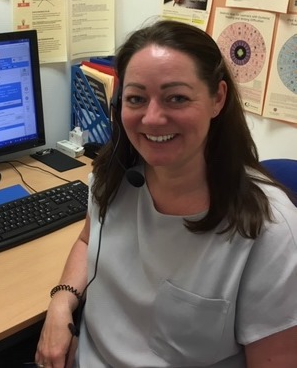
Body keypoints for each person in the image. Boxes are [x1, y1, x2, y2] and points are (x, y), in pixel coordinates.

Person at [35, 20, 297, 367]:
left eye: (176, 98)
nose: (153, 118)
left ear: (217, 98)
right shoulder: (113, 176)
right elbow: (88, 242)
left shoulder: (271, 232)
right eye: (136, 99)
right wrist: (62, 301)